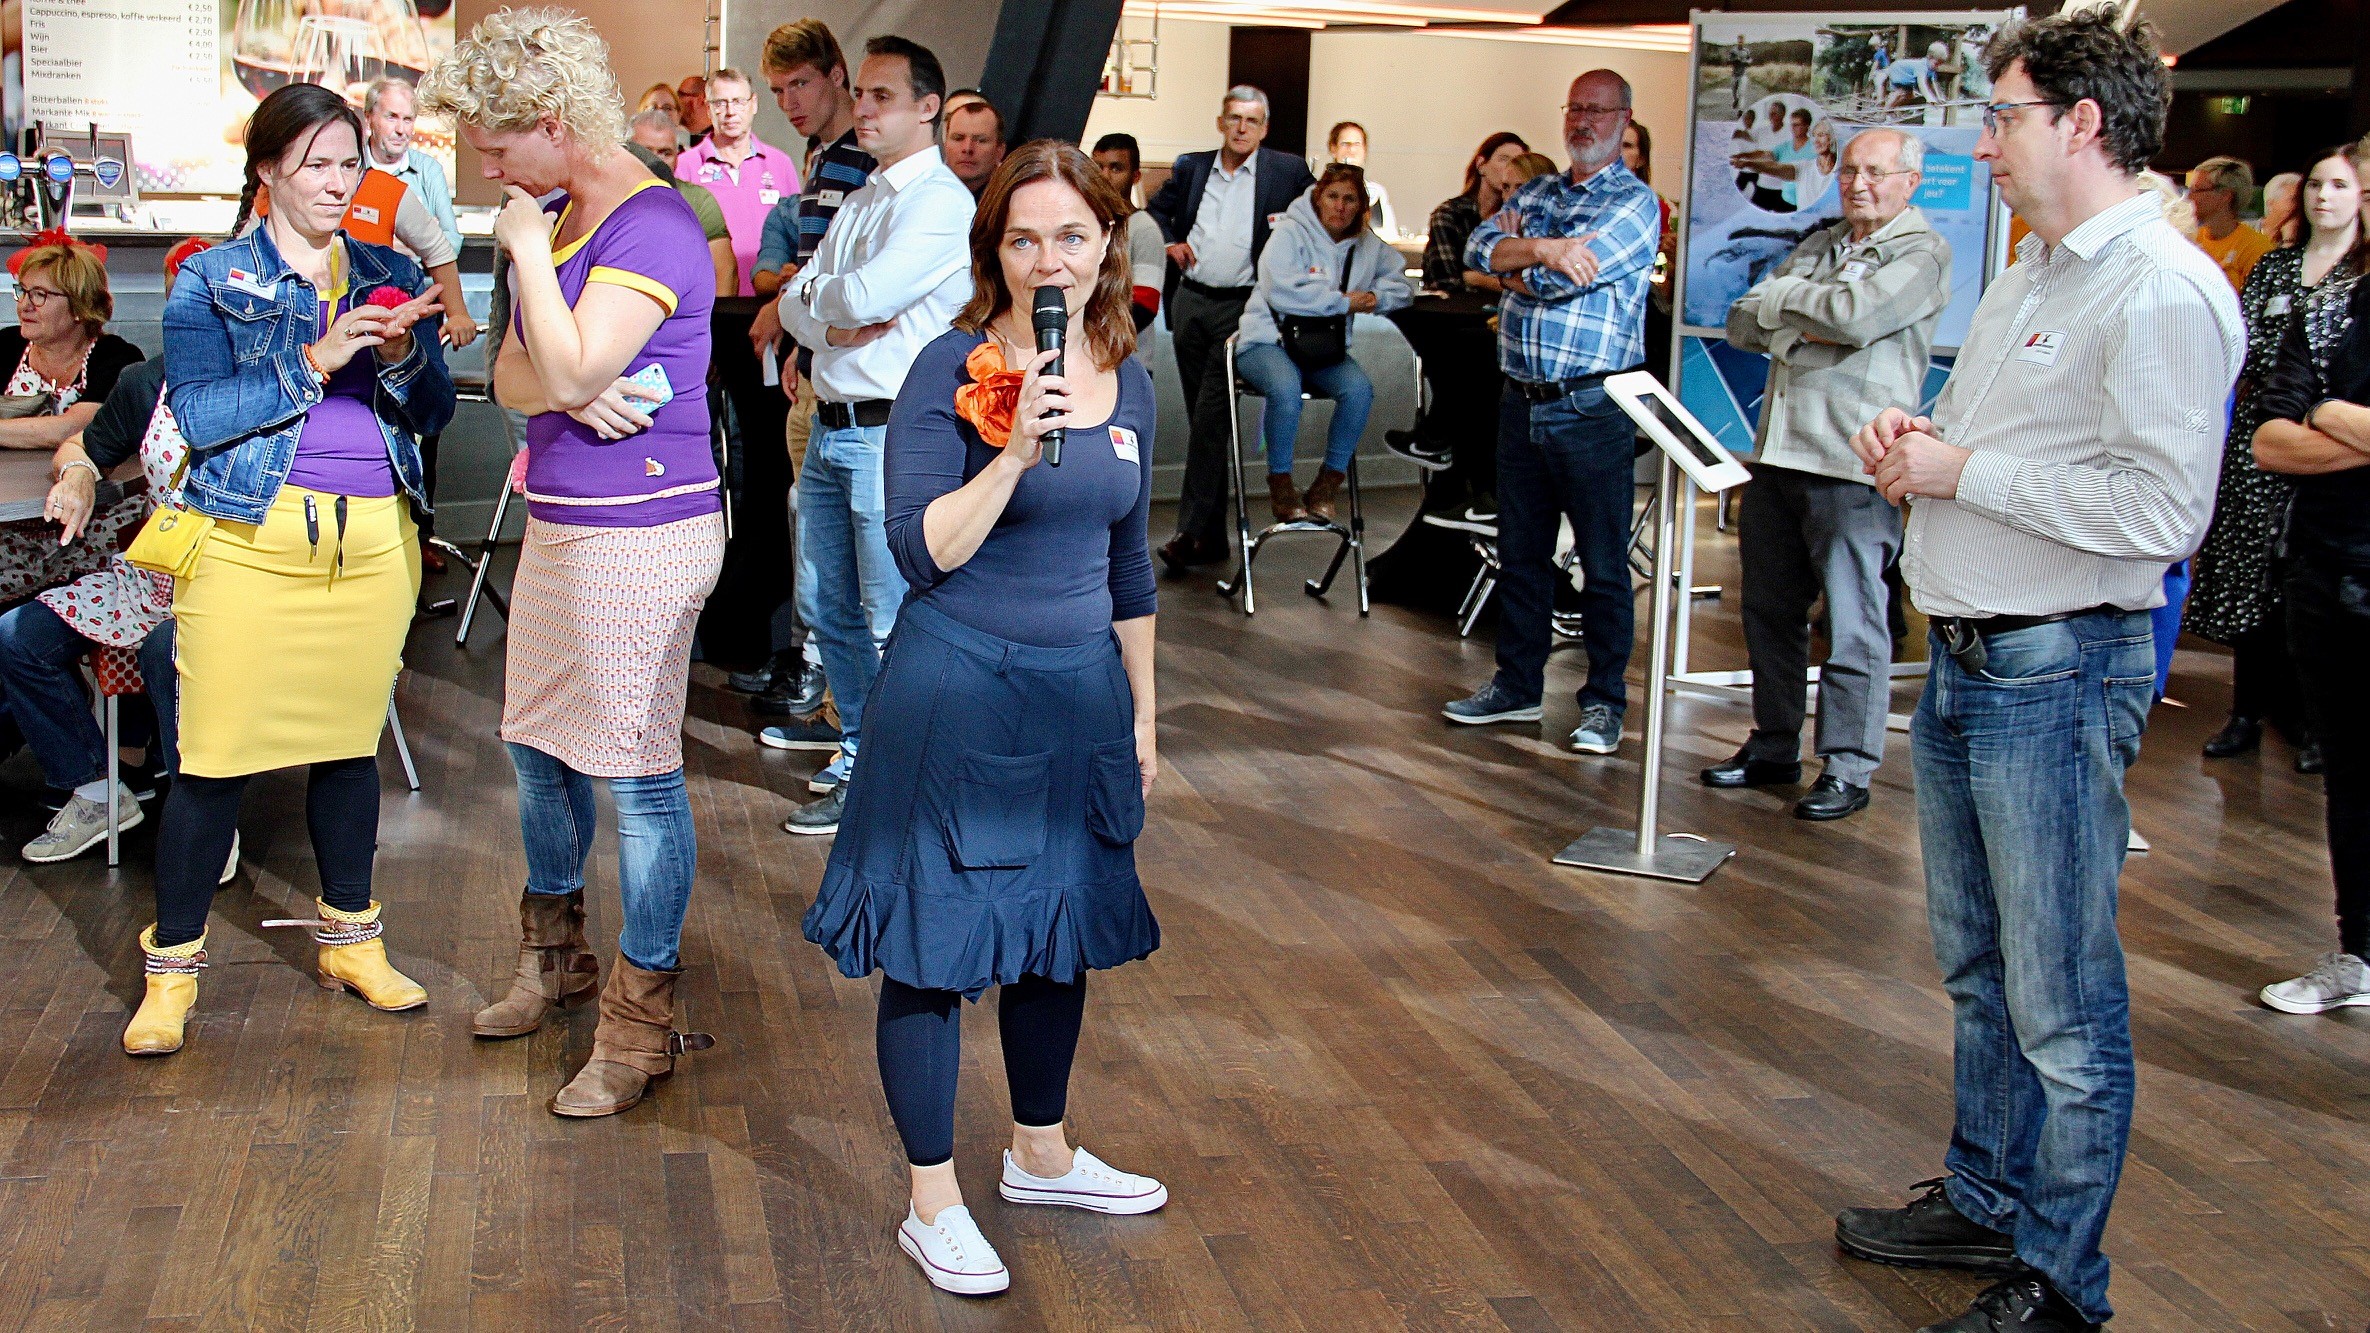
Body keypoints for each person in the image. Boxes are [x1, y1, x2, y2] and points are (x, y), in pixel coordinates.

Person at [1830, 13, 2242, 1330]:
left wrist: (1961, 472)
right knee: (1977, 966)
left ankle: (2061, 1279)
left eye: (2001, 113)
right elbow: (2002, 447)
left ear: (2079, 121)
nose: (1982, 140)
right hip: (1971, 660)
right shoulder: (2032, 276)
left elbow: (2156, 514)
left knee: (2059, 996)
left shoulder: (2162, 290)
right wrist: (1919, 436)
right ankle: (1986, 1195)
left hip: (2058, 667)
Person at [801, 139, 1165, 1298]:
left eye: (1070, 235)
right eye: (1022, 238)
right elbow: (921, 550)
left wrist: (1146, 718)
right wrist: (1011, 451)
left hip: (1079, 695)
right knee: (933, 943)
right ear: (992, 250)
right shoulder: (942, 372)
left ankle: (1044, 1152)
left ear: (1106, 242)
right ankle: (934, 1197)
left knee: (1061, 930)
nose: (1046, 260)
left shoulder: (1130, 377)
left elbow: (1129, 567)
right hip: (955, 688)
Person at [423, 7, 726, 1118]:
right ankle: (557, 959)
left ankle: (641, 1026)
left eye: (498, 147)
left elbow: (567, 359)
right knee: (538, 752)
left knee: (639, 778)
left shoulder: (649, 224)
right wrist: (559, 367)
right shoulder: (554, 213)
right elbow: (513, 378)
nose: (490, 169)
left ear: (551, 122)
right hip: (559, 517)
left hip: (644, 532)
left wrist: (535, 300)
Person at [133, 82, 452, 1058]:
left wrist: (401, 358)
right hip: (245, 540)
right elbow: (199, 415)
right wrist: (313, 361)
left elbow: (431, 411)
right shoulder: (211, 279)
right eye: (316, 162)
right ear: (268, 170)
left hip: (371, 547)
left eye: (349, 163)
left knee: (349, 749)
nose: (336, 182)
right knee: (213, 761)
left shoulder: (390, 269)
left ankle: (351, 941)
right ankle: (172, 971)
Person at [1711, 128, 1949, 821]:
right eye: (1849, 171)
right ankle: (1775, 742)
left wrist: (1785, 304)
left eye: (1876, 172)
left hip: (1854, 464)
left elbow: (1856, 314)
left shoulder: (1923, 252)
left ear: (1909, 181)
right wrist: (1798, 319)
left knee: (1852, 623)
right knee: (1768, 613)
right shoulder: (1819, 243)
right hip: (1779, 453)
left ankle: (1846, 764)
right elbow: (1739, 322)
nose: (1858, 184)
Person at [774, 35, 973, 834]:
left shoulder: (941, 202)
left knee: (891, 616)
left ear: (929, 107)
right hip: (831, 425)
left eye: (881, 96)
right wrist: (824, 310)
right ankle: (863, 753)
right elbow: (809, 301)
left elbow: (855, 298)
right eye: (859, 93)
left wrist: (821, 304)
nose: (862, 108)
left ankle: (896, 777)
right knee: (829, 610)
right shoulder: (861, 197)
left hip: (892, 432)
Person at [1441, 69, 1659, 756]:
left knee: (1601, 562)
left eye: (1598, 111)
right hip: (1521, 401)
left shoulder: (1638, 204)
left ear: (1624, 119)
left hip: (1592, 406)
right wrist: (1541, 249)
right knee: (1522, 554)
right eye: (1575, 109)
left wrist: (1525, 265)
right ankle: (1518, 685)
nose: (1583, 122)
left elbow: (1561, 281)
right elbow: (1481, 247)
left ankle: (1602, 703)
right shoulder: (1536, 191)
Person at [0, 239, 207, 865]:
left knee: (163, 649)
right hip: (146, 569)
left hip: (229, 573)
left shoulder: (276, 383)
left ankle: (202, 815)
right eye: (183, 304)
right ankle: (97, 787)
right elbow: (86, 442)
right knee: (17, 635)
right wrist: (78, 474)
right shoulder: (151, 380)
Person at [2188, 144, 2361, 774]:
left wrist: (2321, 416)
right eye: (2315, 184)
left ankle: (2310, 719)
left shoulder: (2358, 282)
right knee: (2249, 579)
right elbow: (2247, 352)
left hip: (2327, 458)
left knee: (2303, 584)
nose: (2323, 197)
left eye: (2339, 186)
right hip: (2260, 437)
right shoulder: (2274, 268)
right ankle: (2246, 711)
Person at [2250, 147, 2370, 1019]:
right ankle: (2357, 950)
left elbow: (2305, 416)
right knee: (2350, 773)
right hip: (2328, 562)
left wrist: (2324, 411)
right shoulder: (2331, 305)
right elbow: (2269, 434)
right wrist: (2336, 416)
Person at [739, 17, 875, 738]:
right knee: (818, 548)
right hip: (819, 360)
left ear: (834, 76)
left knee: (842, 564)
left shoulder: (860, 157)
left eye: (800, 84)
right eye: (778, 89)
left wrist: (786, 312)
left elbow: (839, 282)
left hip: (851, 378)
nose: (789, 101)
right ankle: (827, 691)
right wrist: (797, 331)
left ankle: (834, 699)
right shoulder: (823, 154)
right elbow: (816, 274)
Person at [1143, 85, 1316, 571]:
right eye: (1234, 118)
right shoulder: (1192, 166)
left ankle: (1189, 531)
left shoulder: (1287, 172)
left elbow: (1319, 219)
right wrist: (1171, 241)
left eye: (1253, 121)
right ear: (1222, 122)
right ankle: (1212, 540)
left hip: (1244, 310)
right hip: (1191, 302)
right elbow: (1155, 210)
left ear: (1264, 128)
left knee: (1212, 416)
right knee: (1206, 422)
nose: (1242, 128)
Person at [1235, 163, 1411, 525]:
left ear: (1362, 205)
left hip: (1322, 349)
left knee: (1359, 390)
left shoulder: (1367, 246)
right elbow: (1284, 292)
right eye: (1333, 197)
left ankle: (1328, 482)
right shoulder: (1289, 233)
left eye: (1350, 199)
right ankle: (1280, 483)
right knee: (1286, 389)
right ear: (1318, 199)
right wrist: (1346, 301)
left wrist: (1375, 298)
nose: (1340, 207)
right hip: (1267, 340)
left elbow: (1405, 287)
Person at [0, 237, 151, 609]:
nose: (24, 305)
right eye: (22, 291)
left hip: (91, 520)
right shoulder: (4, 347)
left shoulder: (116, 357)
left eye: (40, 295)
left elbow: (71, 429)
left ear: (79, 306)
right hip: (9, 519)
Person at [676, 67, 798, 299]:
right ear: (708, 108)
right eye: (720, 103)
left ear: (754, 104)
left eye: (738, 101)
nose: (730, 112)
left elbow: (796, 233)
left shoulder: (780, 163)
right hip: (710, 302)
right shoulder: (685, 167)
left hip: (771, 301)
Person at [627, 110, 740, 296]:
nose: (656, 161)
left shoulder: (699, 202)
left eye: (665, 153)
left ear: (678, 156)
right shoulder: (607, 197)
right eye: (646, 152)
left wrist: (714, 323)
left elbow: (725, 274)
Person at [1418, 131, 1527, 297]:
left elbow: (1528, 284)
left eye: (1518, 162)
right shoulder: (1450, 214)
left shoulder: (1525, 218)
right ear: (1481, 164)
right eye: (1504, 159)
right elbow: (1446, 282)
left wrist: (1475, 278)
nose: (1510, 168)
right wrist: (1501, 283)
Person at [1091, 132, 1167, 331]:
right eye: (1098, 167)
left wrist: (1096, 339)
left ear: (1135, 176)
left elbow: (1144, 306)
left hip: (1124, 353)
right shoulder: (1084, 224)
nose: (1104, 176)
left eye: (1116, 168)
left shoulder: (1144, 229)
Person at [2189, 155, 2275, 293]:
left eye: (2197, 190)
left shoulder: (2256, 248)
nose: (2189, 197)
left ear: (2225, 195)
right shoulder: (2191, 239)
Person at [1324, 121, 1396, 236]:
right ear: (1333, 148)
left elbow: (1390, 234)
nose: (1351, 150)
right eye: (1345, 144)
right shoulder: (1319, 190)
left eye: (1357, 144)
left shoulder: (1377, 192)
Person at [942, 92, 1006, 199]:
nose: (967, 148)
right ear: (945, 143)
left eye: (980, 140)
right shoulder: (922, 192)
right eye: (958, 138)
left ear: (1000, 151)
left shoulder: (1012, 198)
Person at [675, 74, 711, 144]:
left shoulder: (717, 142)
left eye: (681, 94)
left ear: (701, 99)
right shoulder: (675, 138)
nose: (676, 100)